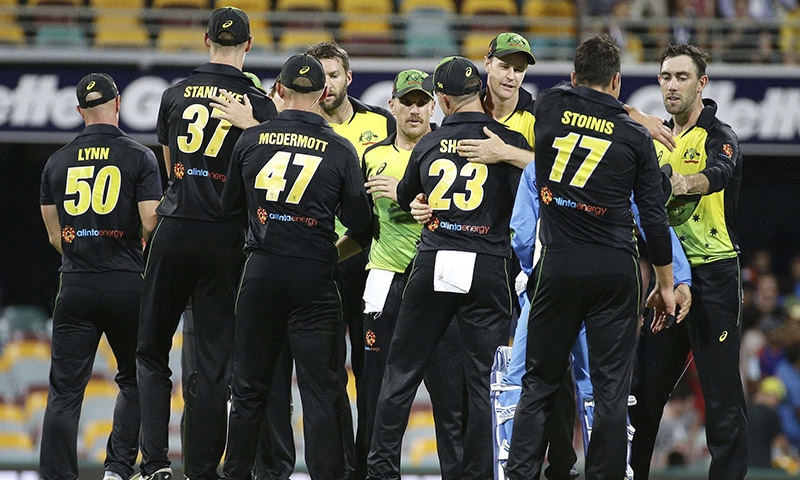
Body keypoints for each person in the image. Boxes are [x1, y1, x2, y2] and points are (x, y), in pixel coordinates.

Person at [505, 35, 676, 480]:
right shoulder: (635, 139)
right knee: (610, 391)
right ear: (617, 81)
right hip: (615, 271)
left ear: (574, 77)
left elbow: (574, 97)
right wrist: (666, 284)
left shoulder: (549, 107)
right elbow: (654, 220)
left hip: (558, 265)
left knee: (538, 384)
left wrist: (626, 112)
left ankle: (521, 474)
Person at [366, 56, 529, 480]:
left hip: (435, 258)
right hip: (488, 264)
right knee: (482, 383)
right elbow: (535, 191)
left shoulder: (428, 143)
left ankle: (381, 470)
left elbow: (408, 194)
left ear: (440, 99)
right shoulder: (508, 141)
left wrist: (421, 203)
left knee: (401, 372)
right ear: (482, 92)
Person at [136, 7, 277, 480]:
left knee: (151, 351)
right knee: (215, 364)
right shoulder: (258, 105)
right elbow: (266, 178)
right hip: (226, 237)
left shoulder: (173, 95)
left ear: (206, 40)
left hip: (176, 228)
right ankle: (201, 471)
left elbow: (171, 167)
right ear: (249, 45)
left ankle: (155, 463)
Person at [219, 53, 372, 480]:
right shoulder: (340, 148)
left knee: (248, 389)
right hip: (315, 277)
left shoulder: (251, 140)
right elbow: (361, 223)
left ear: (280, 90)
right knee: (321, 391)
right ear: (322, 94)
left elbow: (229, 208)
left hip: (261, 272)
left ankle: (235, 475)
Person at [337, 69, 466, 480]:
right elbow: (365, 228)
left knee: (451, 400)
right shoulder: (371, 156)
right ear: (391, 105)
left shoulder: (450, 152)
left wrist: (405, 193)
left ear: (434, 106)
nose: (414, 110)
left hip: (440, 282)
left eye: (421, 102)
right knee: (376, 394)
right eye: (406, 102)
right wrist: (328, 259)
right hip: (385, 282)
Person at [628, 43, 747, 480]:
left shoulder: (720, 135)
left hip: (714, 274)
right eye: (665, 77)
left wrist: (679, 183)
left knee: (721, 398)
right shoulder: (652, 139)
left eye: (682, 77)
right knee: (643, 394)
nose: (672, 85)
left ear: (702, 84)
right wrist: (636, 117)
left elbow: (719, 174)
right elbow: (595, 105)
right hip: (668, 276)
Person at [38, 73, 161, 480]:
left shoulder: (56, 162)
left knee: (64, 393)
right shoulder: (139, 156)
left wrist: (84, 250)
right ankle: (117, 468)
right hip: (126, 281)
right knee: (137, 379)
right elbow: (150, 221)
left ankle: (57, 476)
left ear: (79, 111)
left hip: (76, 284)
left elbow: (55, 235)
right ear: (118, 103)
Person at [305, 41, 396, 480]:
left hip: (370, 263)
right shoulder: (300, 127)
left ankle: (368, 467)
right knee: (328, 376)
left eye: (334, 75)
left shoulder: (380, 122)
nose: (326, 84)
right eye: (319, 75)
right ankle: (339, 469)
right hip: (320, 264)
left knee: (371, 371)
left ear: (349, 77)